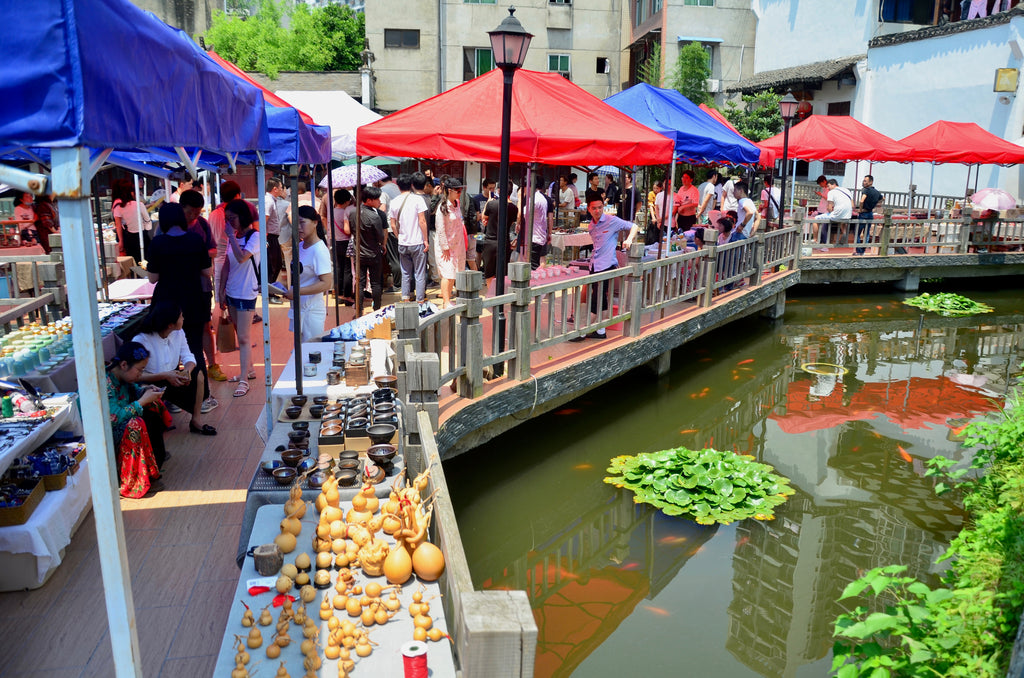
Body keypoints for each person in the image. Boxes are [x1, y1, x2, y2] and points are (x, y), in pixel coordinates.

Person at [147, 203, 213, 416]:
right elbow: (207, 271)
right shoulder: (195, 240)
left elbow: (153, 278)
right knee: (194, 349)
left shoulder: (158, 243)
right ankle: (202, 399)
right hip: (193, 302)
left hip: (166, 304)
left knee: (167, 350)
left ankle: (171, 399)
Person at [132, 301, 216, 436]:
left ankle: (196, 420)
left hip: (171, 376)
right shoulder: (142, 340)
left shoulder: (178, 333)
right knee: (146, 389)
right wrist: (165, 376)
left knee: (198, 375)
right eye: (181, 316)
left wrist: (186, 372)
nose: (183, 319)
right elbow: (135, 376)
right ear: (170, 324)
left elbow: (188, 356)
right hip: (151, 382)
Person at [569, 199, 639, 341]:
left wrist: (629, 239)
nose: (597, 211)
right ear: (589, 209)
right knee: (595, 297)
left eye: (600, 207)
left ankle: (582, 331)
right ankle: (600, 331)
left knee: (597, 298)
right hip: (594, 265)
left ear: (603, 207)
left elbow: (634, 226)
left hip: (606, 265)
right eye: (594, 208)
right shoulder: (591, 226)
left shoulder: (611, 220)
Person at [177, 191, 219, 414]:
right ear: (181, 207)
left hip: (201, 289)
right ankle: (194, 396)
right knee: (186, 341)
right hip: (186, 293)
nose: (193, 216)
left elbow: (213, 250)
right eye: (190, 212)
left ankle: (210, 367)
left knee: (201, 330)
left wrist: (200, 253)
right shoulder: (169, 226)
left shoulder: (201, 225)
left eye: (197, 212)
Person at [106, 341, 165, 498]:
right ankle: (132, 481)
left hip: (118, 423)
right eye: (139, 370)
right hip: (104, 433)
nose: (140, 375)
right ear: (124, 365)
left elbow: (134, 391)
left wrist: (146, 390)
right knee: (135, 424)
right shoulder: (105, 383)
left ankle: (154, 462)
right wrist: (141, 401)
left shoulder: (121, 377)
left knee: (153, 405)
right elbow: (113, 418)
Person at [219, 199, 260, 396]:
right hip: (232, 290)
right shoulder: (234, 236)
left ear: (242, 217)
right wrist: (220, 289)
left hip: (246, 292)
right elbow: (227, 263)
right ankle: (248, 370)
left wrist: (231, 237)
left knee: (244, 337)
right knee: (240, 335)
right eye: (227, 219)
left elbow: (242, 256)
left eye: (232, 218)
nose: (230, 222)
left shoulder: (255, 236)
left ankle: (244, 379)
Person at [206, 180, 240, 383]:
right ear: (235, 195)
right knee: (221, 300)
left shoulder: (213, 213)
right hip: (223, 258)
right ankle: (222, 339)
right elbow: (226, 239)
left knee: (221, 299)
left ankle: (225, 338)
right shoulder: (225, 214)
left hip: (217, 259)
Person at [283, 205, 333, 338]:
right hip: (298, 308)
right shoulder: (300, 246)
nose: (298, 227)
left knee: (311, 351)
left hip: (311, 311)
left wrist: (297, 292)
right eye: (296, 223)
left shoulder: (319, 250)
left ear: (315, 223)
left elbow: (326, 283)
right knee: (300, 351)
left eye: (302, 222)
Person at [390, 173, 430, 315]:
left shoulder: (394, 202)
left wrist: (398, 236)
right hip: (417, 241)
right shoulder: (418, 200)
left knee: (405, 272)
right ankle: (420, 301)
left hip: (403, 242)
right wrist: (425, 239)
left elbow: (393, 224)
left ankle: (405, 299)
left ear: (398, 186)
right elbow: (422, 221)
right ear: (412, 185)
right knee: (419, 272)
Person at [434, 178, 468, 308]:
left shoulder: (457, 204)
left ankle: (447, 300)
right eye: (457, 191)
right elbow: (440, 229)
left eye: (461, 190)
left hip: (458, 244)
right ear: (449, 191)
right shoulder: (442, 208)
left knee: (454, 273)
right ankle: (446, 301)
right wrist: (445, 247)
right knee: (447, 274)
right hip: (446, 247)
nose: (460, 193)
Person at [481, 184, 519, 291]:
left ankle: (490, 292)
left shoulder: (492, 204)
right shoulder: (514, 208)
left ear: (499, 190)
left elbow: (484, 217)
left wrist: (488, 201)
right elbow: (512, 222)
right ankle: (499, 292)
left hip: (490, 241)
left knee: (489, 272)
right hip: (504, 242)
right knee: (502, 271)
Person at [111, 179, 152, 263]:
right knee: (144, 259)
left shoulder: (118, 205)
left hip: (129, 236)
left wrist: (121, 241)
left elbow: (118, 225)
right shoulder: (137, 204)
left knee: (133, 260)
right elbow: (147, 220)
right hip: (140, 234)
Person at [264, 178, 285, 301]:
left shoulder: (272, 201)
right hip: (269, 237)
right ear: (275, 189)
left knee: (276, 264)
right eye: (281, 187)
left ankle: (271, 291)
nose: (282, 190)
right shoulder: (269, 202)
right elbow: (263, 220)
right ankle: (269, 294)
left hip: (272, 236)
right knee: (273, 265)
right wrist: (264, 238)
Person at [855, 174, 884, 255]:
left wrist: (860, 210)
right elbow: (882, 198)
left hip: (864, 213)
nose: (864, 182)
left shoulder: (866, 190)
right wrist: (877, 204)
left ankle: (859, 251)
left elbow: (861, 201)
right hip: (870, 213)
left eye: (865, 181)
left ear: (871, 182)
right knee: (866, 233)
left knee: (857, 232)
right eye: (863, 181)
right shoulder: (876, 192)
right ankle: (863, 251)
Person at [529, 176, 552, 270]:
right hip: (543, 231)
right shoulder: (547, 199)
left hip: (533, 234)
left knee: (530, 260)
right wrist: (549, 233)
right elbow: (550, 218)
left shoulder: (532, 198)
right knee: (542, 258)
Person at [822, 178, 853, 248]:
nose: (828, 188)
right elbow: (853, 205)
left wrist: (831, 211)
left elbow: (830, 208)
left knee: (817, 218)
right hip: (848, 215)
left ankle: (815, 240)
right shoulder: (846, 190)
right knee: (843, 220)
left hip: (837, 216)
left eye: (828, 186)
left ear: (834, 185)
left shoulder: (831, 192)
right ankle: (844, 233)